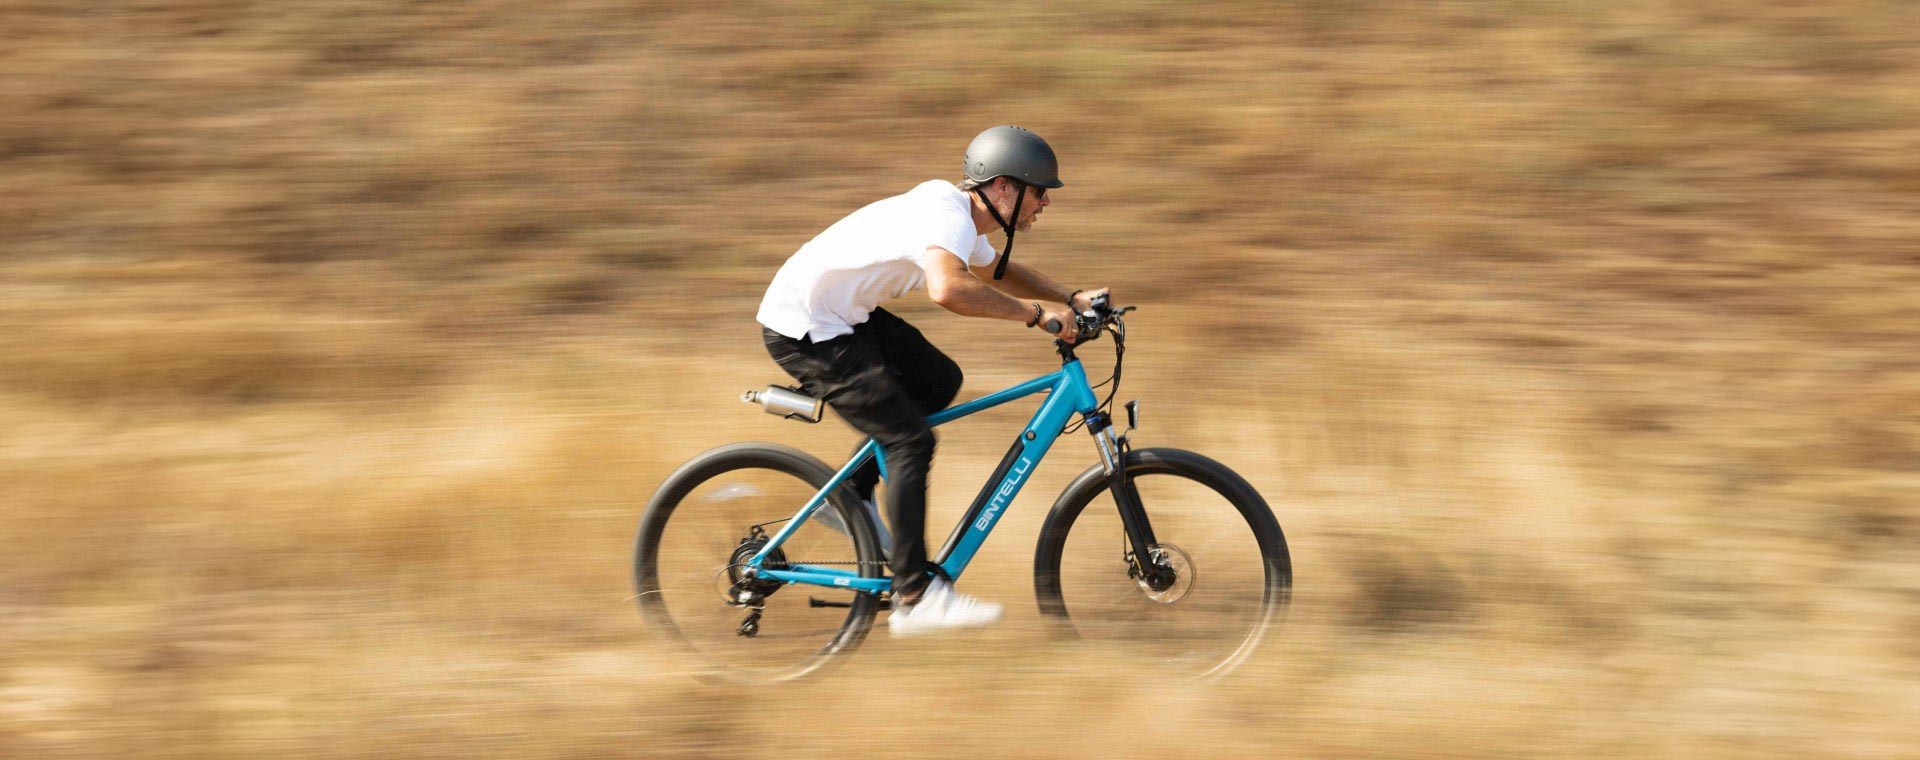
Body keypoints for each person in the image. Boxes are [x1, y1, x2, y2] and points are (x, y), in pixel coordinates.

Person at [756, 125, 1109, 636]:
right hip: (806, 328)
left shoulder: (961, 219)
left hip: (843, 316)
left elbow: (995, 274)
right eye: (1039, 190)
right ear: (1004, 187)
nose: (1045, 203)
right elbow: (948, 288)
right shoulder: (947, 216)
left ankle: (849, 497)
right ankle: (914, 597)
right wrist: (1037, 316)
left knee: (940, 380)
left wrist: (1070, 298)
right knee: (909, 441)